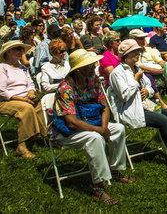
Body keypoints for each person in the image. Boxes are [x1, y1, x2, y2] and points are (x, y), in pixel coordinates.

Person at [52, 49, 133, 205]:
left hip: (92, 122)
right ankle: (98, 187)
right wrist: (100, 130)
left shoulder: (93, 80)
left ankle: (115, 170)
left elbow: (104, 106)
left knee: (119, 129)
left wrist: (104, 127)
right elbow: (71, 122)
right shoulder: (66, 88)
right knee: (95, 138)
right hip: (68, 132)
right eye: (89, 65)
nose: (93, 67)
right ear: (79, 69)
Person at [109, 39, 167, 164]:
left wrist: (147, 92)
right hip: (129, 110)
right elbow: (124, 96)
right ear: (126, 55)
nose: (138, 54)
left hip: (143, 106)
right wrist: (135, 80)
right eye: (134, 52)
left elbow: (149, 86)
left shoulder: (137, 68)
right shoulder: (117, 73)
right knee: (163, 120)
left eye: (138, 51)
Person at [0, 40, 46, 158]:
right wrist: (23, 99)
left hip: (24, 98)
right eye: (18, 49)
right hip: (4, 102)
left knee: (43, 106)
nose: (21, 52)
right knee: (26, 108)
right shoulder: (0, 68)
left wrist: (31, 93)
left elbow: (30, 84)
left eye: (22, 50)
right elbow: (2, 92)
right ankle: (22, 146)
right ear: (8, 52)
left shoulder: (22, 68)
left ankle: (48, 136)